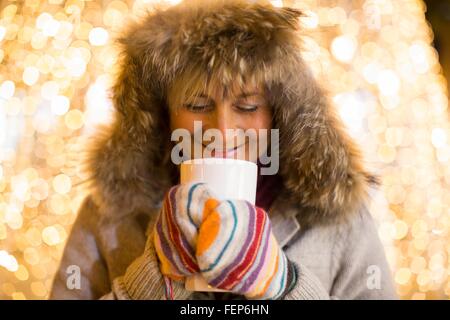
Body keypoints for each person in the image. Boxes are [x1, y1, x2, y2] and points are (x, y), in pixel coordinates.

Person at [49, 0, 397, 300]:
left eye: (247, 107)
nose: (222, 131)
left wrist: (282, 283)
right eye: (197, 105)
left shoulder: (338, 217)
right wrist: (153, 282)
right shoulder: (108, 214)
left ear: (279, 114)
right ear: (162, 115)